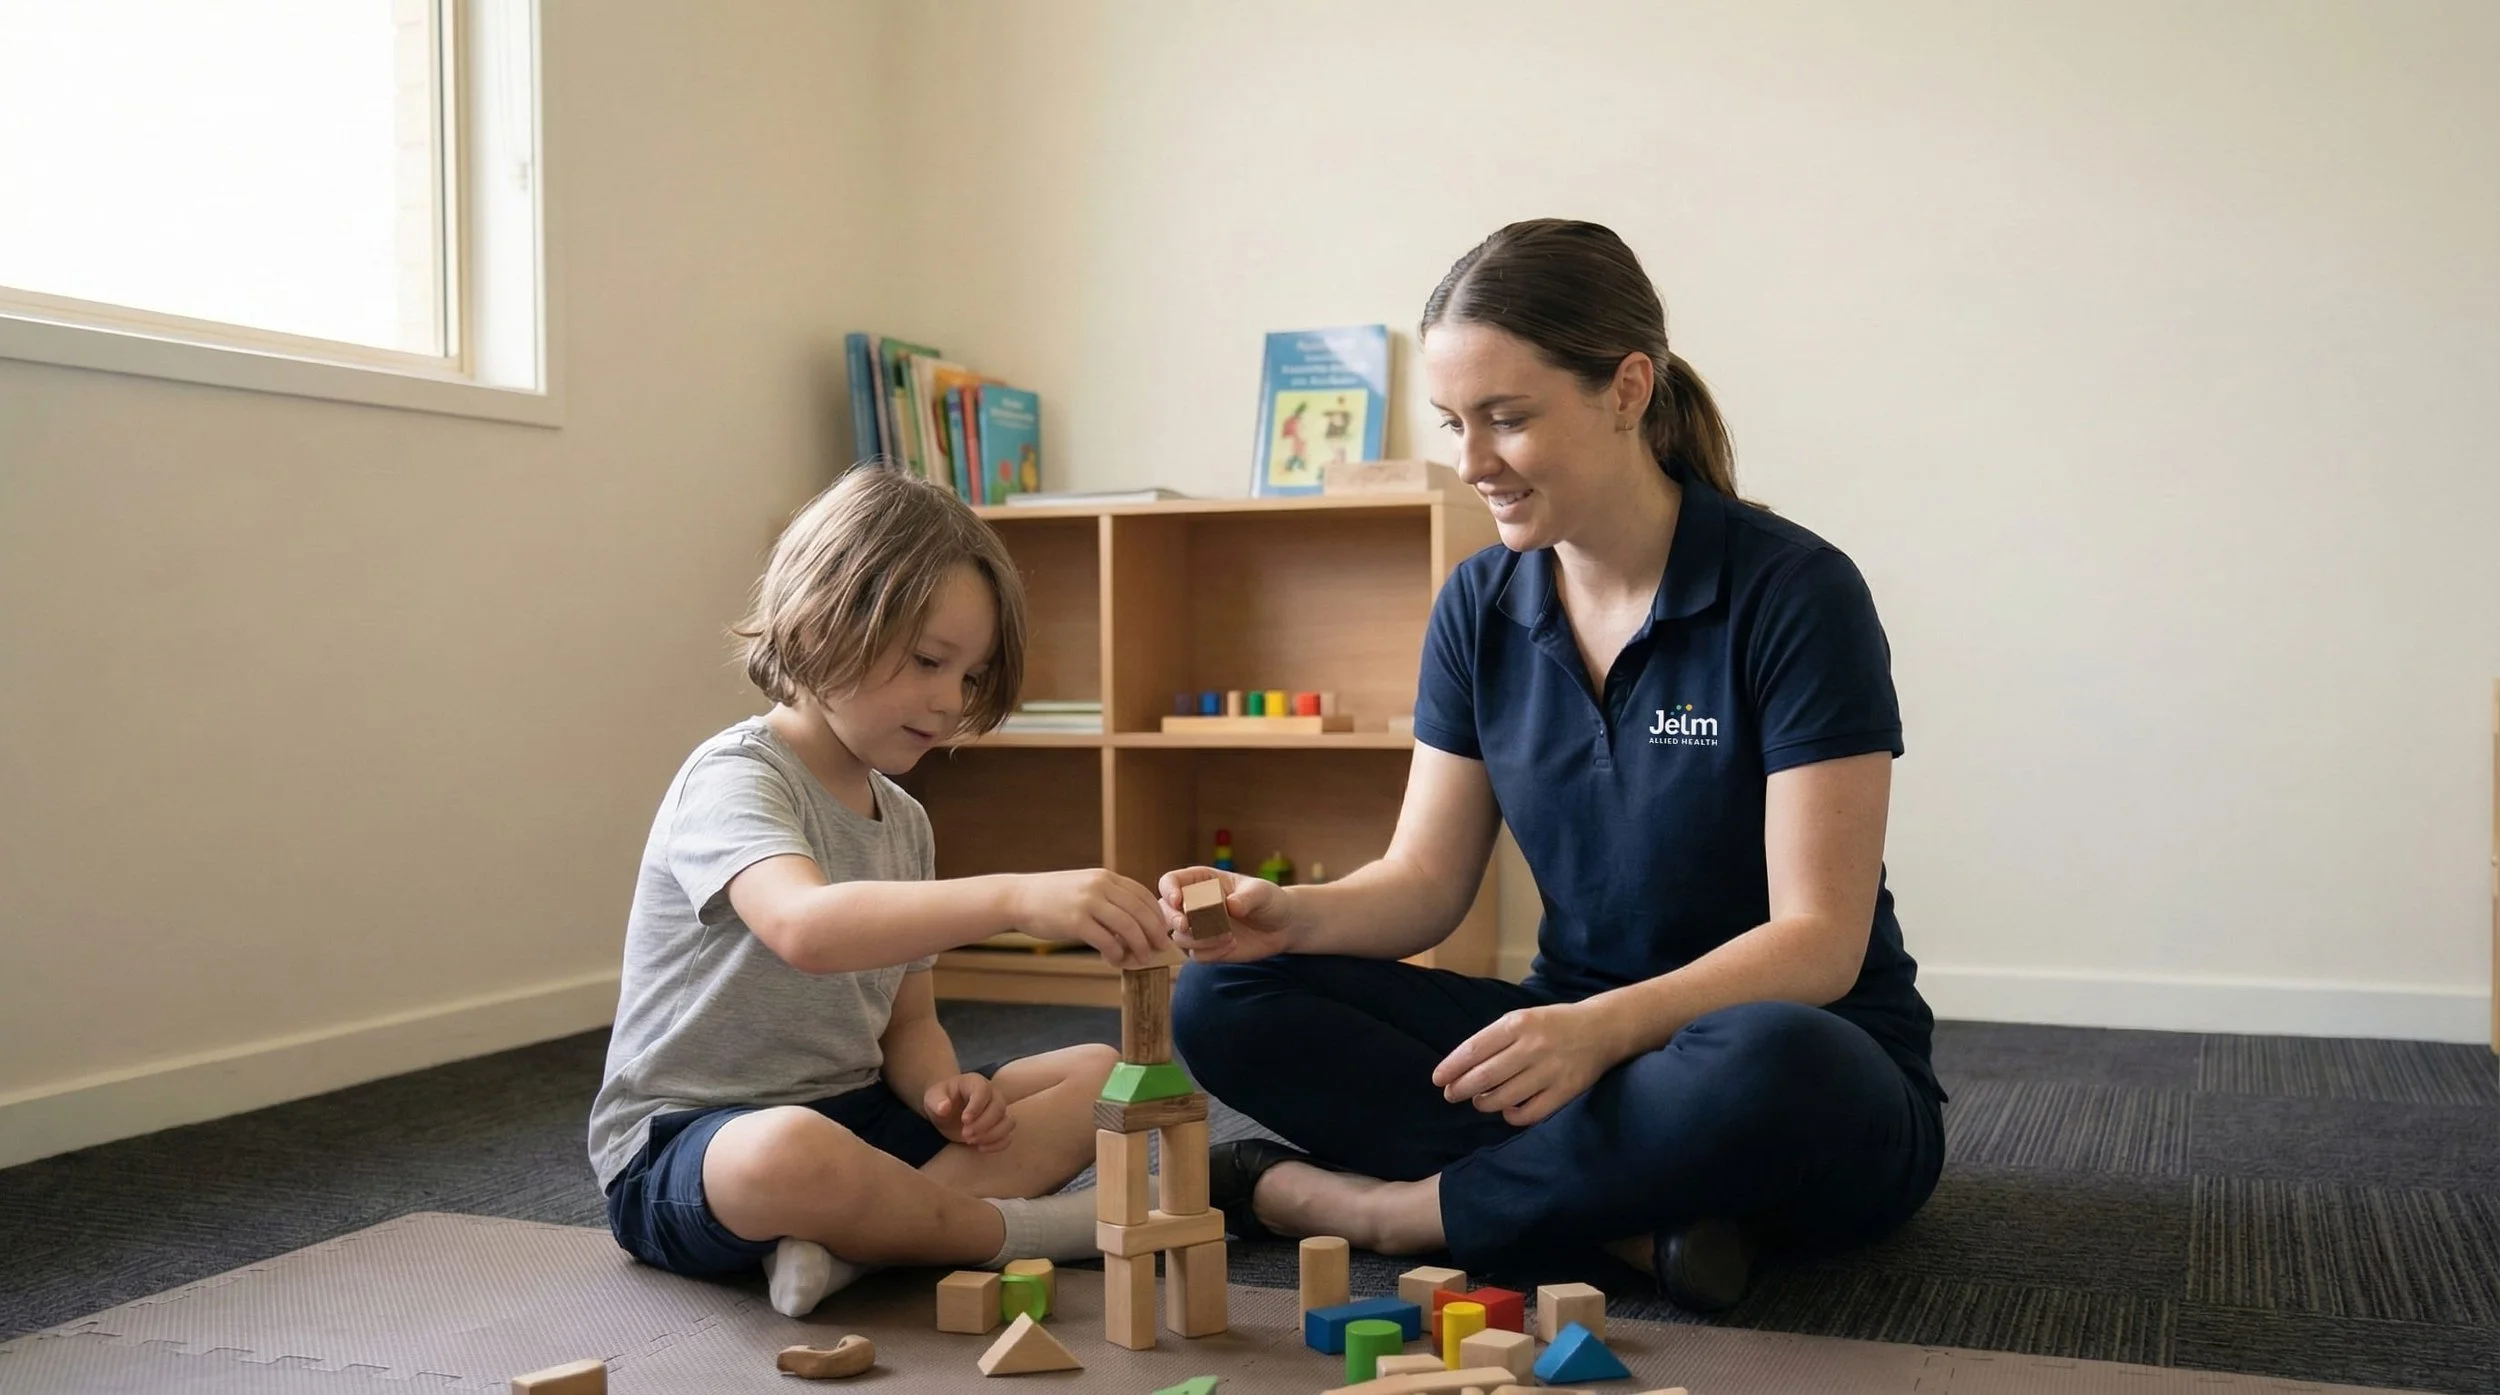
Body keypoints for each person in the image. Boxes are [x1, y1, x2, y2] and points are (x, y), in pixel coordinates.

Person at [1163, 219, 1946, 1313]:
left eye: (1508, 418)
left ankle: (1391, 1208)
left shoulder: (1795, 594)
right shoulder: (1479, 604)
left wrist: (1605, 1030)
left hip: (1781, 1055)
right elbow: (1425, 886)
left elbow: (1819, 943)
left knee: (1772, 1061)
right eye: (1453, 423)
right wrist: (1285, 917)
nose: (1471, 462)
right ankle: (1623, 1218)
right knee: (1219, 996)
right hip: (1565, 1049)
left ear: (1627, 388)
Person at [589, 467, 1172, 1317]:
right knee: (790, 1150)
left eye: (968, 678)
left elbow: (906, 1021)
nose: (948, 702)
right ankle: (1011, 1232)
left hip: (857, 1117)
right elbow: (805, 927)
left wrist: (942, 1089)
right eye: (930, 661)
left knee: (1099, 1074)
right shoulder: (734, 778)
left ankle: (862, 1245)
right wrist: (1013, 897)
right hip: (694, 1143)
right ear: (827, 621)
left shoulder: (902, 818)